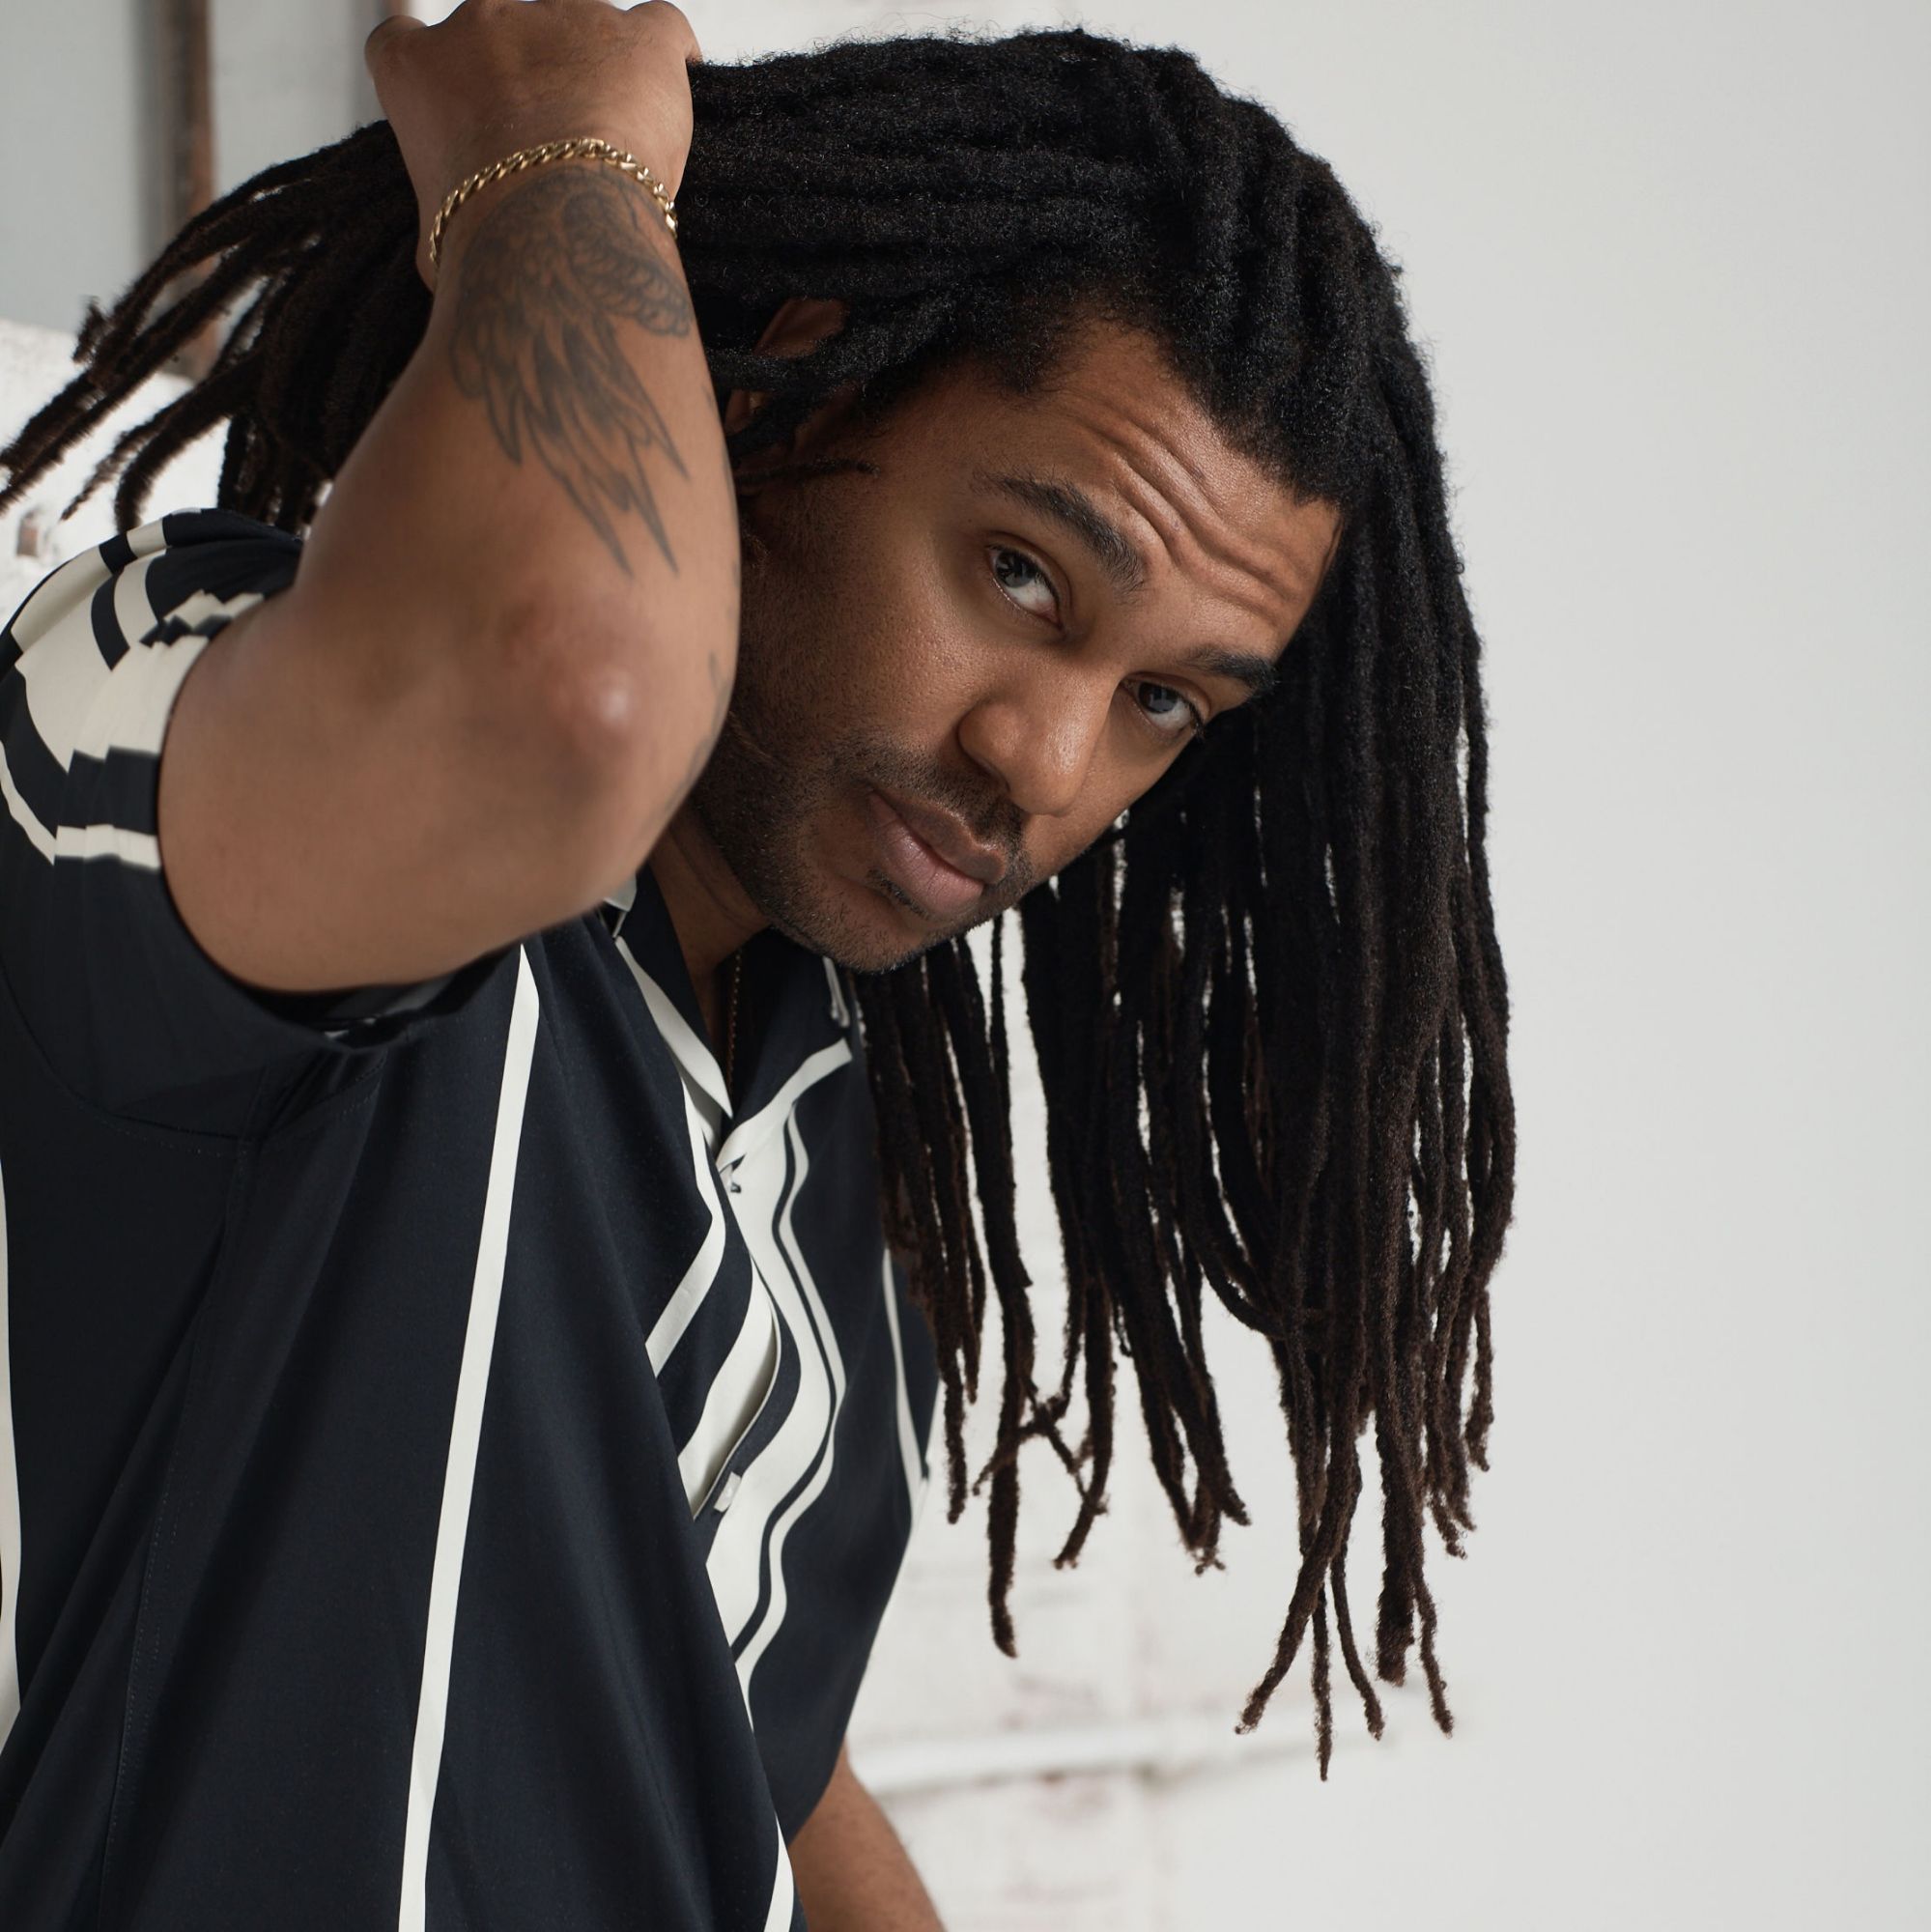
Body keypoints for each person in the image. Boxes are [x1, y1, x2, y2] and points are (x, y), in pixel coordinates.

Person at [0, 3, 1516, 1925]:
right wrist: (560, 154)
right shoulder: (197, 721)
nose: (1046, 765)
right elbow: (571, 693)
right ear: (779, 392)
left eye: (1161, 703)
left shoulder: (807, 1132)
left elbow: (745, 1753)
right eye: (1022, 574)